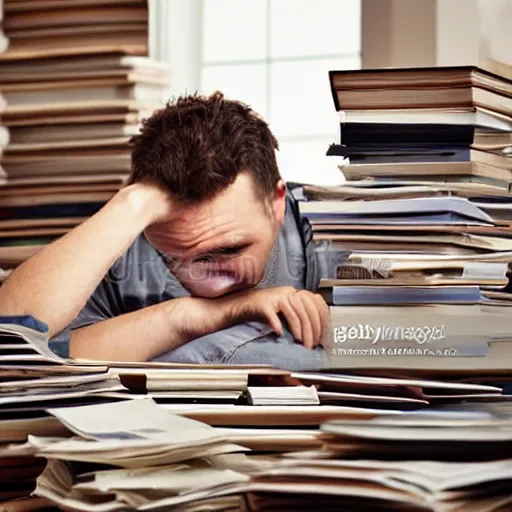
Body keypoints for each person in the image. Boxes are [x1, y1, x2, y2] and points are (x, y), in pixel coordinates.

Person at [0, 92, 331, 370]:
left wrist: (138, 345)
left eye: (231, 249)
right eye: (174, 257)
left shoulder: (340, 230)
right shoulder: (130, 239)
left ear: (276, 202)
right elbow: (15, 343)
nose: (210, 283)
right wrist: (188, 316)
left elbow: (369, 351)